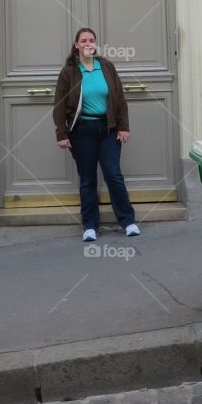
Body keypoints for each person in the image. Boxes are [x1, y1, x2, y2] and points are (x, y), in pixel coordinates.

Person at [53, 27, 140, 244]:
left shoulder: (107, 67)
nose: (88, 43)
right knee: (88, 179)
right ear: (76, 45)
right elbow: (59, 105)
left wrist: (124, 127)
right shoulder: (69, 72)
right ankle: (90, 226)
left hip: (108, 130)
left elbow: (119, 99)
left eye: (91, 40)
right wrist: (61, 134)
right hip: (82, 132)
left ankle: (128, 221)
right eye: (83, 40)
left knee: (113, 175)